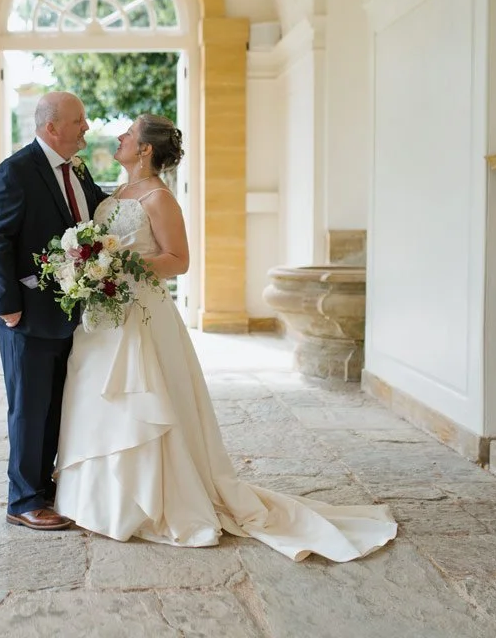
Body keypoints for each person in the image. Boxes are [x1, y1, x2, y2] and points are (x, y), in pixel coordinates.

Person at [53, 114, 397, 561]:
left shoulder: (159, 198)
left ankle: (150, 501)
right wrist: (92, 265)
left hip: (142, 311)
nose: (119, 136)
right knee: (99, 398)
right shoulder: (116, 193)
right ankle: (96, 498)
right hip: (107, 314)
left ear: (145, 150)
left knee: (143, 399)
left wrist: (118, 267)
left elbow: (178, 261)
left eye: (129, 134)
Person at [0, 91, 108, 531]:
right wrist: (8, 307)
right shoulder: (15, 171)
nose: (86, 127)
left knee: (56, 402)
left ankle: (45, 486)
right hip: (26, 312)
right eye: (79, 121)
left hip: (67, 309)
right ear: (52, 127)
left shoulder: (79, 171)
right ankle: (24, 499)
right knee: (30, 406)